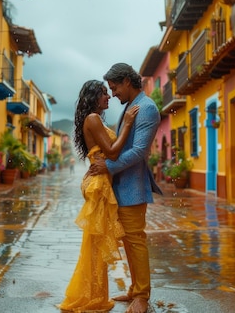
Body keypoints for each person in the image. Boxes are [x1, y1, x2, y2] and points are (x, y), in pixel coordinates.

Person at [58, 80, 140, 312]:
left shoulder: (95, 119)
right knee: (95, 243)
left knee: (96, 244)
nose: (109, 97)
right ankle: (90, 296)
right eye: (104, 93)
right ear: (93, 97)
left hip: (101, 181)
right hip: (99, 184)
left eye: (108, 92)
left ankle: (94, 293)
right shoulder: (93, 119)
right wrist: (127, 124)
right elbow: (112, 153)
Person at [88, 63, 161, 313]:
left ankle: (142, 295)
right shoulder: (131, 106)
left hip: (133, 187)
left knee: (135, 240)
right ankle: (134, 289)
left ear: (127, 82)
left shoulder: (147, 108)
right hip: (120, 188)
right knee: (128, 241)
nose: (113, 93)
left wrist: (107, 166)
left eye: (115, 87)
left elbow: (140, 151)